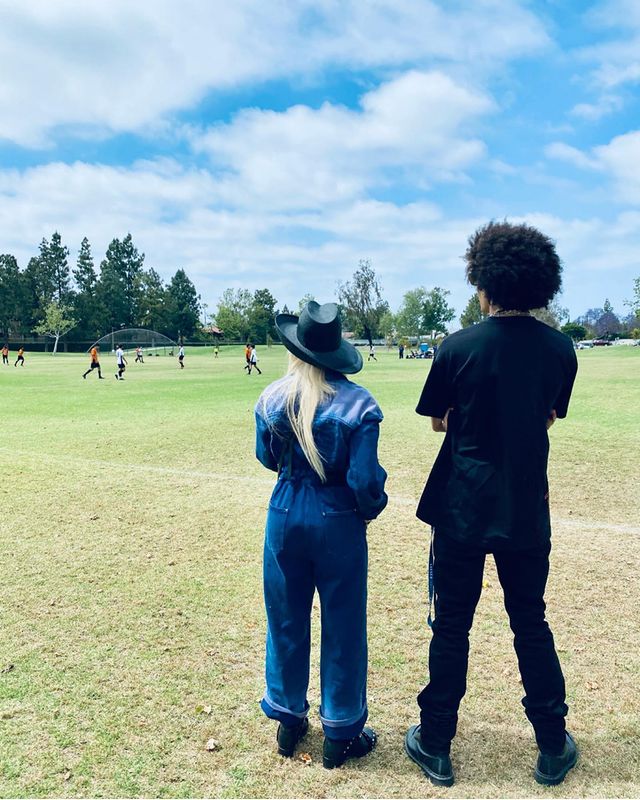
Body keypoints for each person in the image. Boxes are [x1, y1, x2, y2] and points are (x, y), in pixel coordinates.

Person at [405, 221, 579, 788]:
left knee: (452, 625)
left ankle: (436, 741)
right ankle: (551, 743)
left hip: (462, 507)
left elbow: (438, 421)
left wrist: (465, 419)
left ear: (486, 283)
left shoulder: (456, 347)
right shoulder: (560, 349)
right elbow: (548, 416)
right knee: (530, 621)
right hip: (526, 506)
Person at [255, 301, 387, 769]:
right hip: (338, 518)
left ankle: (288, 720)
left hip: (285, 510)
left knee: (285, 619)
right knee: (344, 624)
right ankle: (341, 731)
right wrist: (370, 508)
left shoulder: (271, 398)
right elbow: (365, 481)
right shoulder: (360, 404)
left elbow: (266, 457)